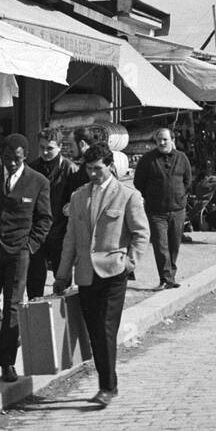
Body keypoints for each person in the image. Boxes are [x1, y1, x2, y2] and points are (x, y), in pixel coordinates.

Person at [54, 145, 149, 407]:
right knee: (94, 330)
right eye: (89, 168)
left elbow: (141, 233)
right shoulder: (78, 196)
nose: (93, 173)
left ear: (110, 167)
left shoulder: (127, 195)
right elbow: (70, 238)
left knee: (106, 328)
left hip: (113, 272)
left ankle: (107, 387)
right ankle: (107, 381)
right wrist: (62, 275)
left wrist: (129, 263)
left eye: (98, 168)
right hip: (85, 274)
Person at [0, 134, 52, 381]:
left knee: (12, 305)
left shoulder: (38, 181)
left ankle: (8, 362)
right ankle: (11, 338)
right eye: (7, 158)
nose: (12, 163)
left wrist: (30, 246)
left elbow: (44, 219)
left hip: (19, 252)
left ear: (24, 156)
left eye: (16, 159)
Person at [133, 127, 193, 290]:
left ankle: (170, 275)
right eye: (159, 140)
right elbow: (138, 183)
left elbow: (188, 181)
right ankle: (166, 278)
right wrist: (152, 197)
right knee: (161, 245)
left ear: (172, 140)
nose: (161, 143)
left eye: (165, 139)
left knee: (174, 244)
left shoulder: (182, 158)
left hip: (177, 210)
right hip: (156, 211)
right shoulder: (148, 160)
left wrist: (180, 196)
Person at [26, 127, 81, 300]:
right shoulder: (31, 169)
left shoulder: (70, 170)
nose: (45, 152)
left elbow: (76, 202)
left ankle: (64, 321)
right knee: (34, 280)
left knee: (62, 281)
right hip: (37, 233)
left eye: (50, 148)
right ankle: (35, 319)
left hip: (61, 233)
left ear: (59, 147)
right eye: (42, 147)